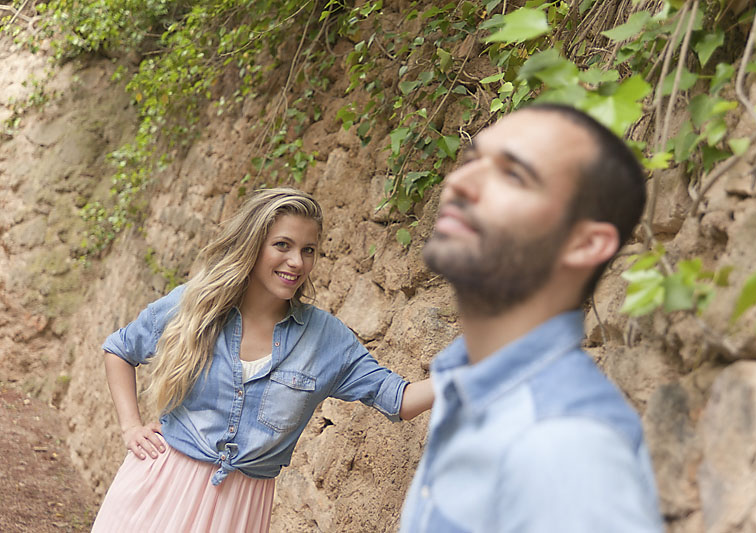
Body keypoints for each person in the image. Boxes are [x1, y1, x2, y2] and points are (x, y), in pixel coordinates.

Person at [92, 187, 434, 532]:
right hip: (160, 489)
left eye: (308, 250)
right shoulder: (196, 305)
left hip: (239, 510)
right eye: (282, 245)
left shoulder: (327, 340)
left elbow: (399, 400)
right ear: (253, 245)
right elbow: (120, 350)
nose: (297, 262)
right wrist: (130, 426)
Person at [399, 104, 664, 532]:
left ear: (585, 243)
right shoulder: (465, 385)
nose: (458, 182)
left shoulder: (563, 447)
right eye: (472, 160)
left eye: (513, 175)